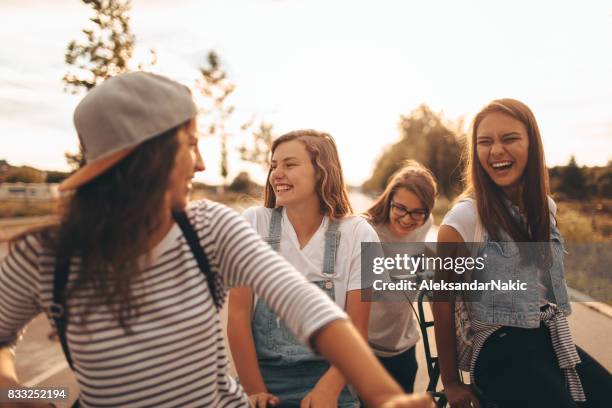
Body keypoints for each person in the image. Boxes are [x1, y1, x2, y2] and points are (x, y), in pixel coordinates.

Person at [0, 72, 435, 408]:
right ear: (148, 156)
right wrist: (26, 398)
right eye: (190, 145)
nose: (203, 164)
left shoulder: (208, 227)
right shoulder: (39, 258)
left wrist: (382, 393)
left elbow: (301, 302)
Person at [433, 98, 612, 408]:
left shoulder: (545, 209)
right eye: (485, 142)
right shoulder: (464, 220)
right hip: (498, 351)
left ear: (532, 144)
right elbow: (442, 301)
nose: (496, 150)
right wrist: (450, 381)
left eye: (510, 138)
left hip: (546, 339)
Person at [227, 130, 379, 407]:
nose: (276, 174)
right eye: (274, 166)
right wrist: (256, 392)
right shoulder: (252, 223)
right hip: (262, 378)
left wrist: (328, 391)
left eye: (290, 164)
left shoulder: (359, 234)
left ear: (321, 172)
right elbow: (237, 317)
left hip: (332, 379)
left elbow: (357, 330)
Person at [363, 160, 437, 393]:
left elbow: (419, 253)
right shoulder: (365, 230)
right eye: (401, 208)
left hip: (403, 349)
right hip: (364, 350)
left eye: (418, 212)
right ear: (389, 200)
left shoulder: (426, 225)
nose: (408, 219)